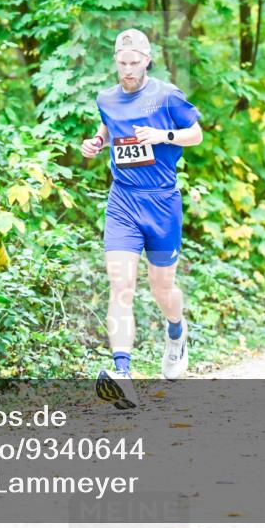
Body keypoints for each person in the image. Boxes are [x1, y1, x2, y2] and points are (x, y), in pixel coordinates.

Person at [81, 29, 203, 410]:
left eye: (135, 62)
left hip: (163, 202)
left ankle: (177, 333)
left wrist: (163, 134)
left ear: (147, 60)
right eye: (122, 63)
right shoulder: (106, 98)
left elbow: (195, 134)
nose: (128, 69)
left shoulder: (167, 95)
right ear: (115, 61)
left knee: (163, 289)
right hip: (123, 201)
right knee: (121, 285)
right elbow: (108, 126)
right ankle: (123, 374)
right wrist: (97, 142)